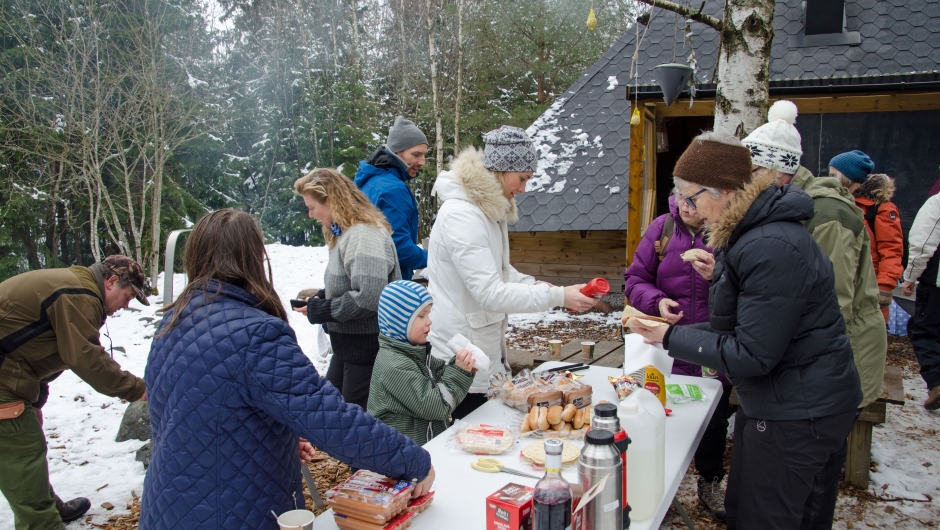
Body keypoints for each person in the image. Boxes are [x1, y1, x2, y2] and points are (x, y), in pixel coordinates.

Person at [142, 209, 434, 530]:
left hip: (166, 507)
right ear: (256, 258)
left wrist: (270, 435)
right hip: (231, 513)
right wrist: (412, 460)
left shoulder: (172, 323)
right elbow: (332, 419)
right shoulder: (257, 334)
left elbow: (190, 417)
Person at [630, 131, 862, 529]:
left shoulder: (770, 245)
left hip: (797, 412)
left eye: (691, 197)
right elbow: (746, 320)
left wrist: (669, 338)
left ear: (723, 191)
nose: (688, 208)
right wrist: (718, 282)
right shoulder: (756, 236)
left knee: (765, 518)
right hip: (792, 403)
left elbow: (752, 352)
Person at [744, 103, 887, 526]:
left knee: (814, 480)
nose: (744, 183)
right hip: (814, 362)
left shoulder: (825, 213)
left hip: (842, 358)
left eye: (751, 172)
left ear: (777, 172)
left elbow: (831, 303)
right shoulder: (789, 203)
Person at [426, 125, 598, 419]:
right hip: (461, 355)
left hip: (482, 347)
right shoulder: (462, 215)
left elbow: (500, 271)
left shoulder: (487, 210)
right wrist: (557, 296)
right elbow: (489, 293)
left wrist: (536, 285)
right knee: (470, 434)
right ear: (500, 170)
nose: (523, 189)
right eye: (522, 178)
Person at [0, 255, 150, 529]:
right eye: (128, 297)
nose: (126, 306)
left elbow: (39, 347)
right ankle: (41, 521)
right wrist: (138, 390)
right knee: (22, 452)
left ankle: (48, 506)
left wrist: (36, 401)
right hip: (4, 380)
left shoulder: (77, 287)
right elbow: (84, 357)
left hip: (11, 369)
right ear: (111, 282)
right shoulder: (79, 295)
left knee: (26, 446)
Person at [623, 186, 731, 521]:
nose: (685, 206)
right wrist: (657, 302)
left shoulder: (727, 230)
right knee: (661, 419)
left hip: (712, 345)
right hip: (666, 350)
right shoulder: (662, 229)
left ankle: (710, 482)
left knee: (714, 421)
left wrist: (718, 273)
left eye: (692, 201)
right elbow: (634, 279)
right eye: (681, 198)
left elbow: (747, 286)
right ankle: (657, 485)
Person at [292, 168, 401, 411]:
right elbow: (350, 282)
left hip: (366, 351)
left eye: (312, 207)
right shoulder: (345, 233)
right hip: (349, 349)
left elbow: (369, 297)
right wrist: (322, 296)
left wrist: (322, 309)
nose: (310, 214)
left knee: (355, 422)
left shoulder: (364, 234)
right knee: (331, 412)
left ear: (330, 200)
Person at [368, 280, 476, 445]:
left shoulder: (412, 353)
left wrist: (459, 366)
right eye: (421, 316)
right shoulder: (394, 365)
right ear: (398, 322)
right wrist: (459, 372)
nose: (429, 321)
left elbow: (439, 374)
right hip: (402, 452)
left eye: (428, 314)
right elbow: (437, 406)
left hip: (421, 446)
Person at [829, 150, 904, 322]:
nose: (829, 178)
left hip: (869, 284)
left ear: (846, 177)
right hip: (843, 281)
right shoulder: (838, 201)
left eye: (833, 174)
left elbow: (892, 250)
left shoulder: (880, 208)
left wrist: (884, 287)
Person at [355, 116, 429, 281]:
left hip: (367, 276)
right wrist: (436, 260)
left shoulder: (370, 180)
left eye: (424, 155)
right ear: (397, 152)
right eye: (416, 154)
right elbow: (399, 248)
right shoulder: (393, 189)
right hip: (390, 283)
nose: (422, 162)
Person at [901, 192, 940, 410]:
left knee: (923, 330)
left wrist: (910, 276)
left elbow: (922, 243)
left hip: (936, 284)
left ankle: (937, 383)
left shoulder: (937, 203)